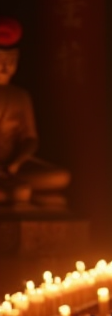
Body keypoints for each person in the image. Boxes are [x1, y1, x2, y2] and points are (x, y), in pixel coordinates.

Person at [0, 17, 71, 204]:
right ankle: (12, 191)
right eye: (0, 60)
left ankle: (11, 190)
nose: (5, 66)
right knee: (20, 192)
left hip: (13, 167)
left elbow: (30, 138)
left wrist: (17, 161)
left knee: (60, 177)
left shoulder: (21, 96)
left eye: (11, 60)